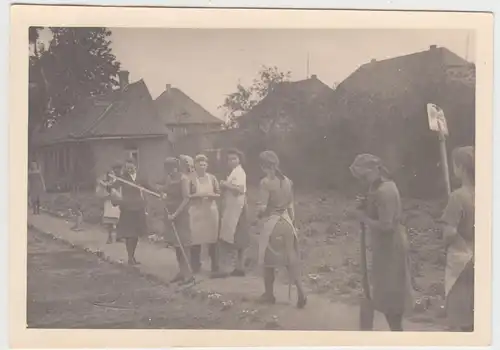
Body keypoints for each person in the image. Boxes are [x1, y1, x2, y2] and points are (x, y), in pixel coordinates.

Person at [348, 153, 414, 331]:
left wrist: (363, 218)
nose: (363, 180)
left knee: (391, 295)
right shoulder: (376, 188)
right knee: (383, 293)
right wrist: (364, 205)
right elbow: (374, 210)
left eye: (365, 175)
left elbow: (386, 225)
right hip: (383, 247)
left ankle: (397, 334)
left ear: (375, 170)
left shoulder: (385, 190)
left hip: (392, 247)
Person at [255, 150, 307, 308]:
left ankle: (269, 294)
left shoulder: (265, 182)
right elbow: (291, 205)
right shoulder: (287, 181)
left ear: (263, 166)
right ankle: (301, 291)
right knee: (290, 259)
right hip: (287, 223)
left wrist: (257, 215)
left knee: (267, 260)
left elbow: (262, 208)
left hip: (273, 224)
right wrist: (293, 222)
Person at [439, 146, 475, 332]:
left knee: (458, 314)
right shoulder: (484, 192)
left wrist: (443, 245)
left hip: (461, 258)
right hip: (480, 253)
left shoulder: (457, 196)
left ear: (460, 167)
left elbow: (450, 232)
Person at [157, 155, 195, 285]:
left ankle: (188, 275)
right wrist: (163, 195)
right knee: (177, 245)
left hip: (181, 214)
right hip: (170, 213)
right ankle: (181, 272)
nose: (170, 171)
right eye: (168, 168)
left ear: (177, 167)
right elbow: (166, 191)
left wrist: (175, 214)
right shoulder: (169, 178)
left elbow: (186, 198)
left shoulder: (184, 179)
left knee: (184, 244)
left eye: (172, 168)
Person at [188, 154, 226, 278]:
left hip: (210, 210)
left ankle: (215, 266)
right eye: (199, 164)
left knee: (212, 239)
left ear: (207, 165)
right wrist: (198, 195)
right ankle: (195, 265)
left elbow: (219, 193)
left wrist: (211, 195)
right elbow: (187, 195)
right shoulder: (190, 179)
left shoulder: (212, 178)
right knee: (195, 239)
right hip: (196, 211)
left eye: (204, 164)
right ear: (195, 165)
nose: (202, 166)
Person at [110, 157, 150, 265]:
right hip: (127, 209)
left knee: (136, 234)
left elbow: (149, 187)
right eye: (127, 167)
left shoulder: (141, 178)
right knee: (129, 234)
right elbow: (113, 188)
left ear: (135, 166)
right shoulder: (122, 178)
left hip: (139, 208)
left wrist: (160, 192)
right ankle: (130, 257)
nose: (129, 169)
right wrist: (110, 184)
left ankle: (132, 256)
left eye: (131, 167)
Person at [219, 148, 250, 276]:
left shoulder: (240, 172)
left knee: (236, 238)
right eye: (229, 159)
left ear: (239, 159)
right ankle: (238, 267)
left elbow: (240, 189)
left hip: (238, 209)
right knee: (236, 238)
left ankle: (230, 267)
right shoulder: (233, 172)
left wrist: (225, 184)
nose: (231, 161)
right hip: (233, 208)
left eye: (234, 159)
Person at [97, 163, 122, 244]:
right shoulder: (110, 177)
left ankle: (119, 236)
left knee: (119, 219)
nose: (117, 170)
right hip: (109, 200)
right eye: (115, 169)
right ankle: (110, 237)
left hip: (119, 200)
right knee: (110, 220)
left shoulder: (122, 178)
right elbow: (105, 186)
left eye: (119, 169)